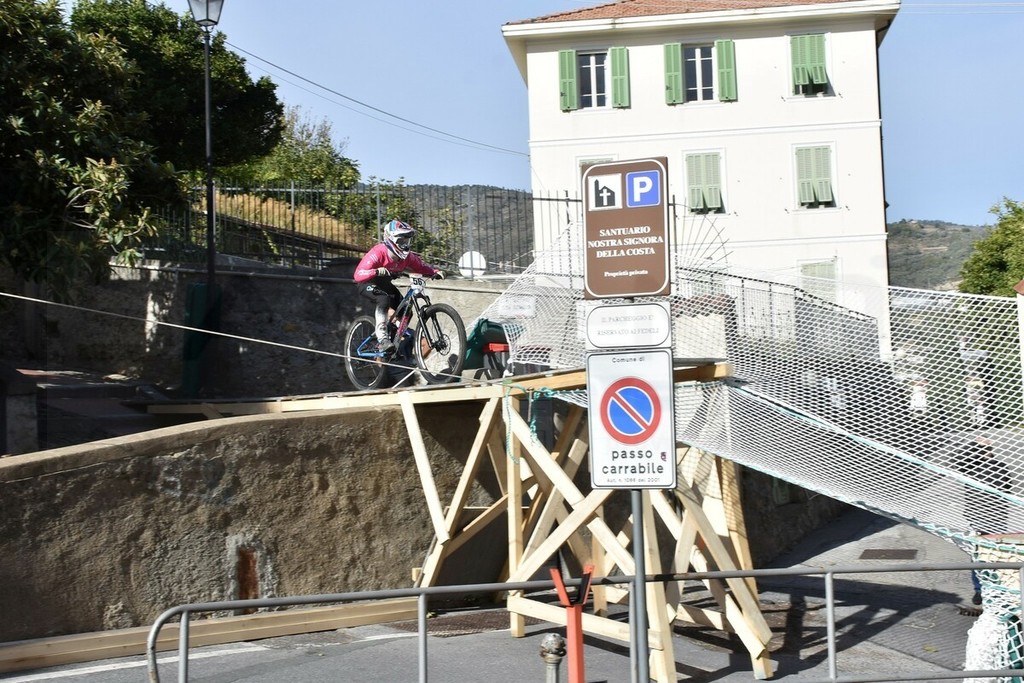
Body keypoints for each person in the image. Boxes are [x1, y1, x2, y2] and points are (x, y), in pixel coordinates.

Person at [353, 220, 445, 354]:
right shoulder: (378, 252)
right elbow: (358, 275)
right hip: (366, 283)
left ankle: (394, 341)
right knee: (383, 299)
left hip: (384, 285)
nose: (405, 245)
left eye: (407, 241)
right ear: (391, 239)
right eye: (402, 241)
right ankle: (382, 339)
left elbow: (421, 267)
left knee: (407, 311)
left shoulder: (408, 257)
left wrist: (434, 272)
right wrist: (376, 271)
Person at [954, 436, 1014, 606]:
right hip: (977, 518)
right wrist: (975, 445)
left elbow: (1006, 486)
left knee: (993, 555)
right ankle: (980, 589)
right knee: (978, 555)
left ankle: (994, 589)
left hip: (996, 518)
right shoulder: (970, 466)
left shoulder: (999, 466)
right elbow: (958, 459)